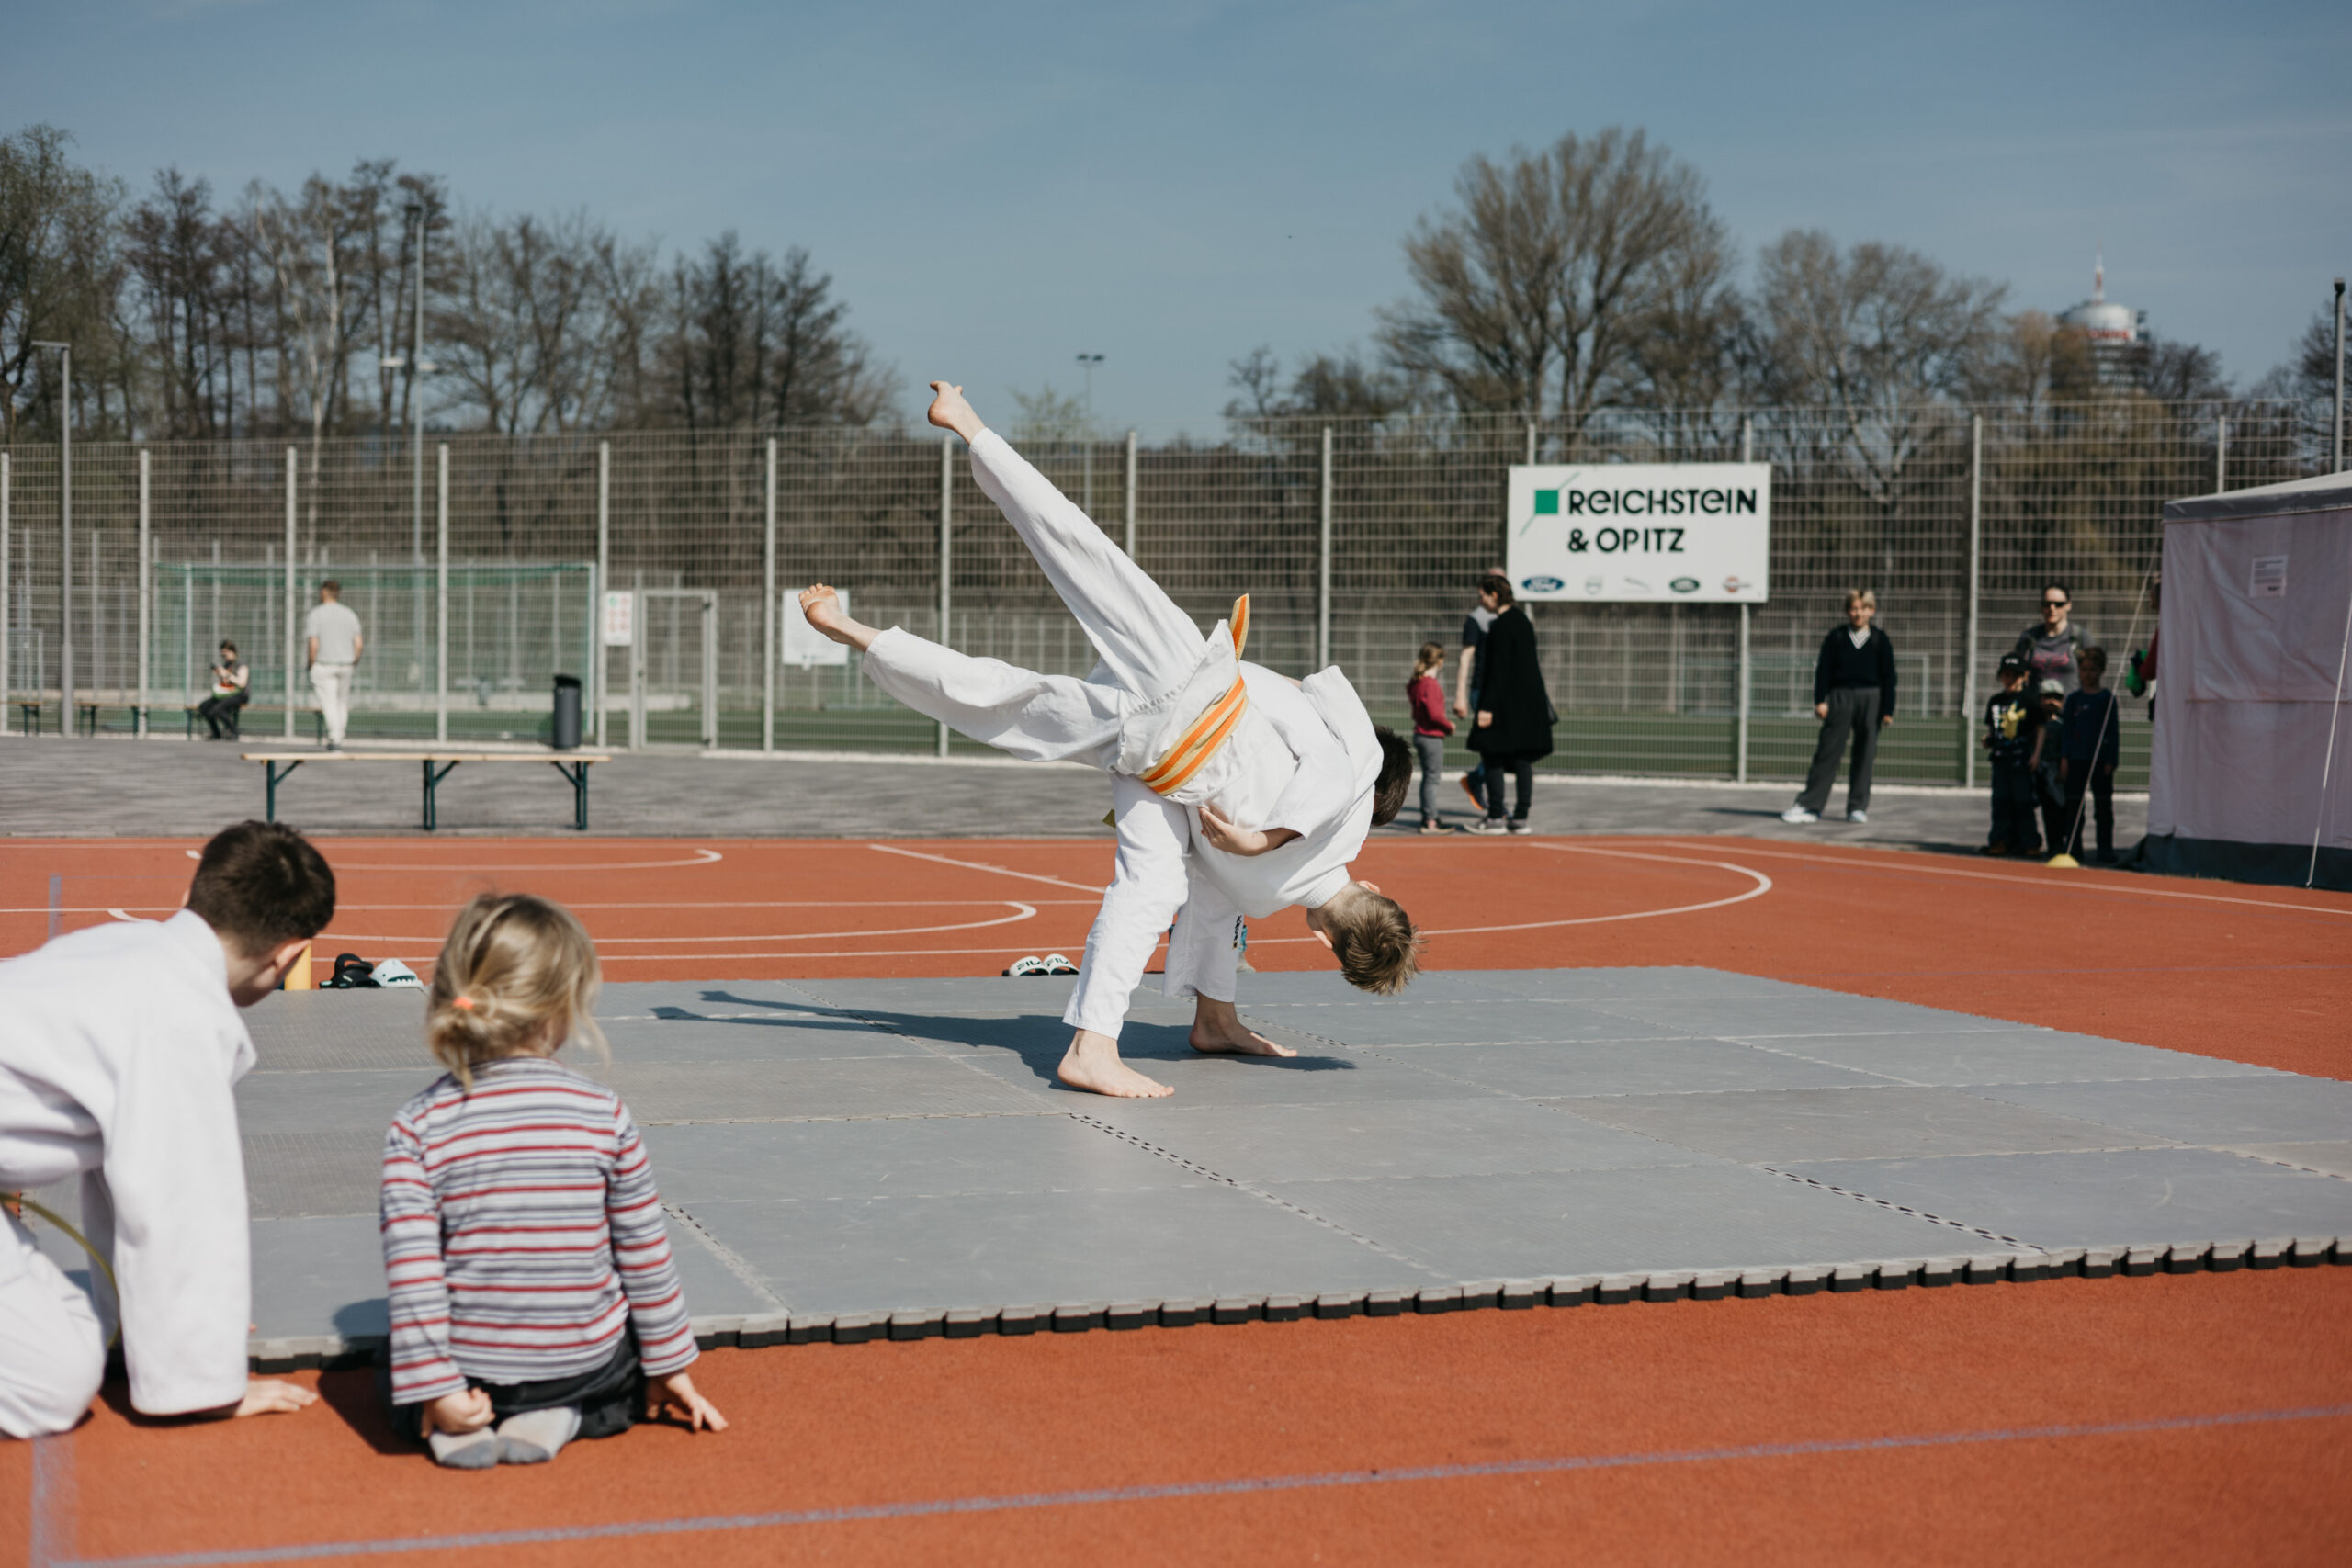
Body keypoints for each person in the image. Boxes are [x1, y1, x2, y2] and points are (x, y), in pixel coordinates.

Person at [799, 381, 1419, 1100]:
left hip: (1191, 690)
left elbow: (1330, 740)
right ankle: (1108, 1041)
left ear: (1375, 888)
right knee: (1005, 706)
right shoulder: (1256, 894)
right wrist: (1258, 845)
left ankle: (968, 424)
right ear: (1323, 940)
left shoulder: (1349, 807)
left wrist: (1268, 833)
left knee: (1079, 550)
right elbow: (1210, 914)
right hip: (1151, 757)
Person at [0, 820, 334, 1438]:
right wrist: (203, 1377)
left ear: (190, 896)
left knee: (77, 1333)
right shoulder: (183, 1016)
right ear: (288, 956)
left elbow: (118, 1180)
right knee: (56, 1374)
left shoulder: (121, 947)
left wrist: (162, 1325)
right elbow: (180, 1208)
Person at [379, 893, 725, 1468]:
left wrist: (436, 1387)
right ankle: (567, 1414)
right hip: (581, 1368)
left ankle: (447, 1418)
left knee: (388, 1358)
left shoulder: (418, 1124)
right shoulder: (604, 1113)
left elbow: (413, 1271)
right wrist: (668, 1367)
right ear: (563, 1007)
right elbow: (644, 1254)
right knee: (625, 1357)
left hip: (470, 1370)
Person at [1782, 590, 1896, 825]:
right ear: (1847, 611)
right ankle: (1810, 805)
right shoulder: (1836, 637)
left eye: (1863, 609)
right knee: (1828, 751)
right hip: (1840, 696)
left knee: (1865, 754)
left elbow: (1888, 675)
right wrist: (1820, 700)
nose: (1858, 613)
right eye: (1854, 609)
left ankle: (1857, 807)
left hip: (1871, 697)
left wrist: (1888, 709)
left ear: (1871, 611)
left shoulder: (1879, 639)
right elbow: (1823, 670)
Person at [1465, 574, 1554, 836]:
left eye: (1482, 595)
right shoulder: (1523, 621)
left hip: (1505, 706)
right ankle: (1521, 817)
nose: (1480, 601)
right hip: (1528, 705)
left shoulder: (1501, 625)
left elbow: (1498, 670)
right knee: (1522, 759)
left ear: (1494, 595)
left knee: (1492, 755)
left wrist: (1486, 707)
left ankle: (1495, 817)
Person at [2058, 647, 2121, 863]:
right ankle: (2073, 848)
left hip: (2100, 761)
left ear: (2101, 671)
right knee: (2074, 806)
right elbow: (2067, 731)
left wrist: (2111, 759)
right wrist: (2064, 758)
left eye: (2093, 669)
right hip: (2076, 759)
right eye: (2084, 669)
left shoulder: (2107, 698)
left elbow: (2113, 731)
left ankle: (2105, 848)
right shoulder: (2073, 699)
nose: (2088, 674)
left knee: (2103, 807)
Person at [1452, 574, 1504, 815]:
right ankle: (1496, 806)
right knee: (1495, 749)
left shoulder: (1507, 617)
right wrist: (1460, 695)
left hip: (1502, 691)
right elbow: (1466, 657)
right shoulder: (1477, 619)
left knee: (1507, 748)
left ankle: (1477, 781)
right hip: (1482, 692)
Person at [1981, 654, 2041, 856]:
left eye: (2015, 675)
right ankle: (1999, 841)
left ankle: (2030, 843)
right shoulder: (1995, 701)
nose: (2011, 679)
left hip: (2021, 758)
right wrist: (1988, 740)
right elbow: (1993, 730)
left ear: (2024, 676)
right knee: (2000, 801)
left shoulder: (2029, 700)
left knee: (2024, 802)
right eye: (2006, 675)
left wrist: (2036, 755)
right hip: (2000, 758)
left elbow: (2041, 728)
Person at [304, 581, 363, 751]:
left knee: (329, 703)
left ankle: (335, 738)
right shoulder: (349, 614)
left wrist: (311, 664)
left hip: (324, 665)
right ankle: (339, 735)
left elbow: (313, 644)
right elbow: (359, 644)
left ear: (324, 592)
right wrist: (353, 662)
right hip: (346, 665)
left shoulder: (316, 614)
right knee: (341, 702)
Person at [1407, 642, 1455, 834]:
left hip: (1420, 734)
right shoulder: (1431, 684)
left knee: (1428, 778)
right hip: (1431, 736)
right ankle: (1430, 820)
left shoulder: (1417, 682)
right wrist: (1448, 726)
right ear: (1439, 660)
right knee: (1432, 779)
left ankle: (1429, 816)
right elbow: (1435, 715)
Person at [2014, 581, 2092, 694]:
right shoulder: (2029, 637)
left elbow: (2093, 676)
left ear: (2068, 605)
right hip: (2035, 704)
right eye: (2047, 604)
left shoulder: (2080, 637)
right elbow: (2016, 673)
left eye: (2058, 604)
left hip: (2070, 704)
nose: (2052, 608)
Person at [2029, 678, 2069, 856]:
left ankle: (2059, 843)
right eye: (2047, 697)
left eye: (2056, 697)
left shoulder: (2064, 724)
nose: (2052, 701)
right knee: (2038, 808)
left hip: (2056, 772)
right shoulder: (2034, 723)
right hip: (2037, 771)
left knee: (2057, 808)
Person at [198, 640, 250, 741]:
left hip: (240, 695)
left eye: (225, 655)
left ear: (232, 651)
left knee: (218, 709)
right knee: (204, 706)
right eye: (222, 655)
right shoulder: (227, 664)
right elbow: (226, 683)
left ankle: (234, 732)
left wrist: (227, 674)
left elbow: (242, 683)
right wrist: (220, 674)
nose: (224, 657)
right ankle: (216, 733)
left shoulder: (241, 663)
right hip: (227, 693)